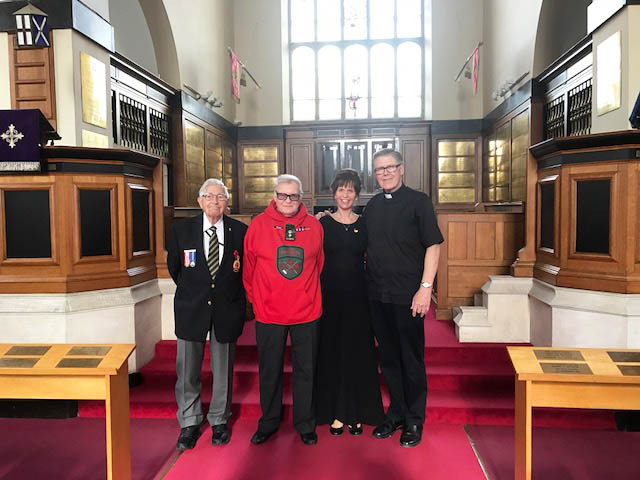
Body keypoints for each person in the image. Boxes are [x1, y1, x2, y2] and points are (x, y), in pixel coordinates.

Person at [364, 148, 443, 448]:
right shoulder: (372, 206)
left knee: (411, 358)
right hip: (377, 294)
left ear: (402, 168)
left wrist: (426, 288)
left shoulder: (419, 202)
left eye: (389, 167)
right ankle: (396, 412)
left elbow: (433, 245)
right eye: (379, 169)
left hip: (409, 296)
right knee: (388, 358)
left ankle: (414, 418)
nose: (384, 173)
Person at [166, 178, 248, 450]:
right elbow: (175, 268)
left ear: (227, 202)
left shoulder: (240, 231)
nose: (215, 201)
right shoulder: (181, 230)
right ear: (200, 201)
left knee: (223, 369)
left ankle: (219, 420)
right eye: (209, 196)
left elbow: (244, 271)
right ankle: (189, 421)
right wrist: (196, 290)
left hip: (227, 308)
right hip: (191, 307)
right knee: (187, 369)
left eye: (220, 197)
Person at [243, 174, 324, 446]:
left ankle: (305, 423)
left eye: (293, 196)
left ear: (301, 198)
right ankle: (268, 421)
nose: (288, 200)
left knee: (306, 370)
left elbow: (318, 265)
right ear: (274, 196)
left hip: (306, 311)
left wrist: (305, 293)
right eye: (282, 195)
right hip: (269, 312)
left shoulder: (314, 226)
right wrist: (258, 300)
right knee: (270, 370)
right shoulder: (258, 225)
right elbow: (249, 269)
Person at [315, 169, 384, 435]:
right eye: (341, 189)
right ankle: (335, 412)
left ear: (357, 195)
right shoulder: (322, 224)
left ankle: (356, 412)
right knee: (332, 352)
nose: (345, 195)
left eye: (350, 190)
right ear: (334, 193)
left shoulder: (365, 224)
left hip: (358, 298)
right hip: (329, 298)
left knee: (358, 354)